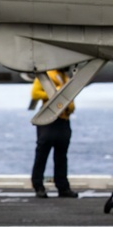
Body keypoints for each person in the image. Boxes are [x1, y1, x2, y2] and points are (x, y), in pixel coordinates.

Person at [30, 69, 78, 198]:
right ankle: (38, 186)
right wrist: (55, 93)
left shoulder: (65, 78)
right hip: (49, 120)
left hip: (63, 120)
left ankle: (63, 187)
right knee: (42, 154)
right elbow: (35, 94)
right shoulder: (47, 76)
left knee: (61, 156)